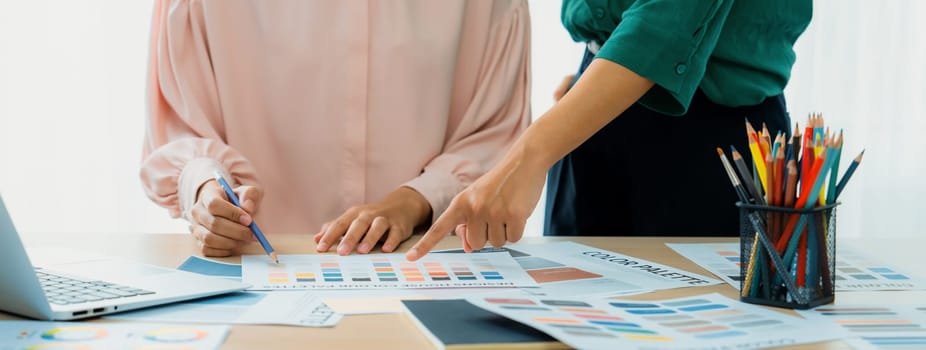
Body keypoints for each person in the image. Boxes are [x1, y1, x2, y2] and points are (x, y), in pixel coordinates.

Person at [407, 0, 811, 260]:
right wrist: (597, 74)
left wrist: (524, 158)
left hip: (713, 143)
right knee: (570, 317)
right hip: (592, 115)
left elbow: (667, 19)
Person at [140, 0, 530, 257]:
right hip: (258, 271)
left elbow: (498, 132)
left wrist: (413, 202)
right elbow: (181, 127)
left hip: (427, 271)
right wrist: (207, 192)